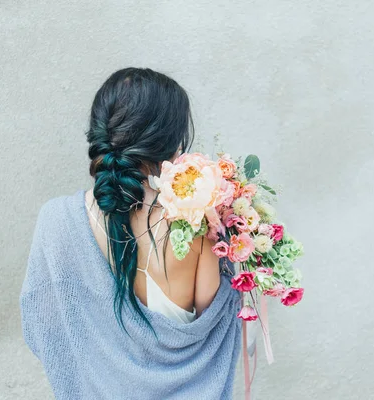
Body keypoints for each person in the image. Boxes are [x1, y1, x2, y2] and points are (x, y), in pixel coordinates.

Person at [20, 68, 242, 399]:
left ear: (98, 131)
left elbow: (44, 327)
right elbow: (213, 326)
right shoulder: (200, 224)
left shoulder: (56, 221)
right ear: (171, 141)